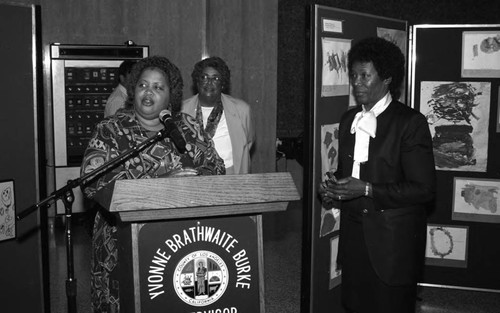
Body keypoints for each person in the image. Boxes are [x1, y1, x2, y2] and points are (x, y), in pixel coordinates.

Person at [80, 56, 225, 313]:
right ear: (133, 90)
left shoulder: (188, 127)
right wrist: (159, 185)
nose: (149, 92)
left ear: (171, 96)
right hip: (120, 243)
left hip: (182, 240)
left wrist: (192, 181)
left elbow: (216, 168)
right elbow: (93, 183)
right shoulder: (111, 130)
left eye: (159, 88)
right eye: (143, 85)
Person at [318, 37, 436, 313]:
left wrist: (367, 189)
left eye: (364, 75)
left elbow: (424, 190)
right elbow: (348, 173)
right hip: (354, 233)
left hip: (392, 240)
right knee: (356, 304)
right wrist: (332, 186)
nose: (356, 82)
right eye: (354, 75)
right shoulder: (349, 119)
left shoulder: (410, 123)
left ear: (386, 79)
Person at [182, 56, 254, 174]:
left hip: (231, 174)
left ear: (223, 84)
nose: (209, 82)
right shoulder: (181, 110)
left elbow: (248, 142)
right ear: (197, 81)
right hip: (193, 175)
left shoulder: (242, 110)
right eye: (204, 77)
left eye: (215, 78)